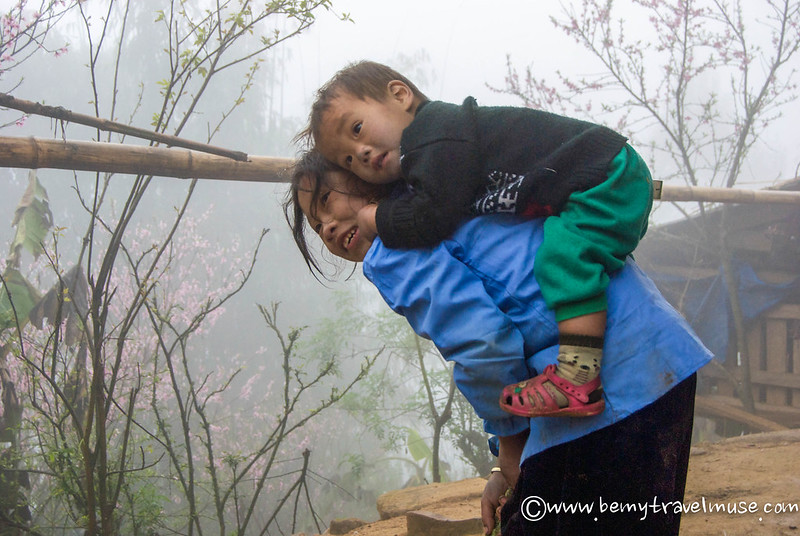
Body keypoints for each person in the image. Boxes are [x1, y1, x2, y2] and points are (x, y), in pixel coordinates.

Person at [284, 151, 711, 535]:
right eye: (317, 225)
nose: (326, 228)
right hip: (658, 353)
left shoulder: (394, 248)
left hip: (607, 395)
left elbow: (485, 343)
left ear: (364, 176)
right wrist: (505, 465)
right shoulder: (455, 199)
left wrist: (511, 448)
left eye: (325, 203)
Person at [298, 60, 655, 419]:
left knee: (564, 259)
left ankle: (578, 378)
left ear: (400, 95)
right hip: (601, 180)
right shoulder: (436, 150)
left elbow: (431, 216)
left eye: (357, 128)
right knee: (573, 250)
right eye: (347, 158)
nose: (358, 152)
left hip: (604, 179)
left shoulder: (435, 136)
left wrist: (375, 218)